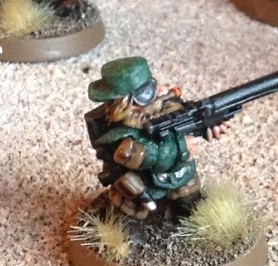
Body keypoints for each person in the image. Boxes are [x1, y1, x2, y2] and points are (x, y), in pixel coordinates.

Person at [85, 57, 230, 220]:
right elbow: (145, 155)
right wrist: (182, 146)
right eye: (146, 94)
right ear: (125, 104)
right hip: (144, 184)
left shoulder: (166, 106)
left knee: (191, 204)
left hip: (180, 174)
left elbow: (187, 117)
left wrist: (209, 123)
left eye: (152, 86)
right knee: (130, 216)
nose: (161, 90)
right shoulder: (121, 133)